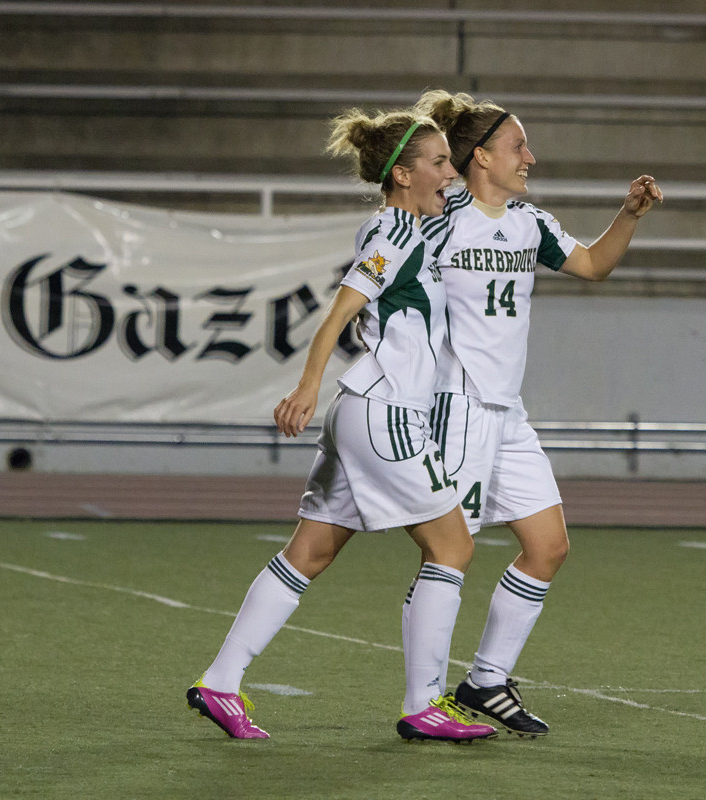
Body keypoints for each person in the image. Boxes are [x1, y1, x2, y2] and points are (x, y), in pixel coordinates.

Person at [186, 106, 497, 744]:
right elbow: (337, 315)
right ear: (403, 175)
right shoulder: (395, 235)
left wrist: (456, 122)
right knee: (453, 548)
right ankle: (425, 704)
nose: (452, 172)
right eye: (439, 163)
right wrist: (306, 385)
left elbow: (471, 201)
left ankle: (220, 681)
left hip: (363, 411)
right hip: (386, 415)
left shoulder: (413, 225)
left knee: (311, 552)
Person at [408, 89, 663, 737]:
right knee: (448, 556)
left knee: (548, 547)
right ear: (480, 156)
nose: (530, 157)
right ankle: (423, 701)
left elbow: (593, 265)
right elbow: (382, 273)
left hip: (508, 414)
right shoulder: (437, 215)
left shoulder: (531, 223)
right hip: (455, 407)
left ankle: (485, 681)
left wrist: (628, 215)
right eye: (518, 145)